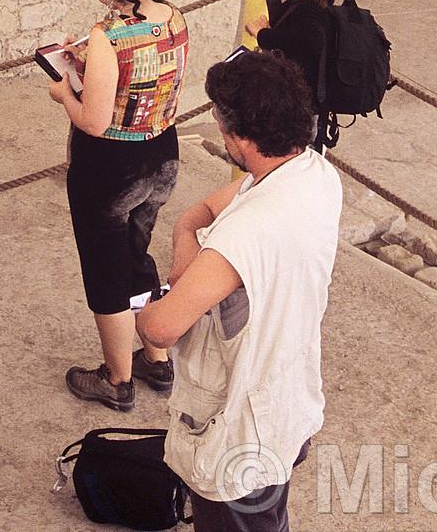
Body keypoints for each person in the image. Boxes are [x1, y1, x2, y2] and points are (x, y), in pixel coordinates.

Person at [135, 52, 343, 531]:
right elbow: (211, 206)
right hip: (288, 397)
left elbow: (163, 329)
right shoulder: (312, 173)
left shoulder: (243, 237)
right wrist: (185, 230)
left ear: (242, 139)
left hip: (239, 429)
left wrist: (154, 304)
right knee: (269, 517)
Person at [46, 0, 187, 411]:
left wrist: (65, 91)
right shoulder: (175, 17)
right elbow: (147, 82)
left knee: (105, 269)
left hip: (111, 167)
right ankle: (157, 355)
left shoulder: (107, 36)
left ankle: (117, 379)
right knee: (136, 252)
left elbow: (93, 121)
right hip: (162, 153)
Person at [248, 0, 336, 145]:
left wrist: (263, 35)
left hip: (297, 122)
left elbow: (311, 40)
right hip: (284, 110)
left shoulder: (310, 8)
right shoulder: (285, 1)